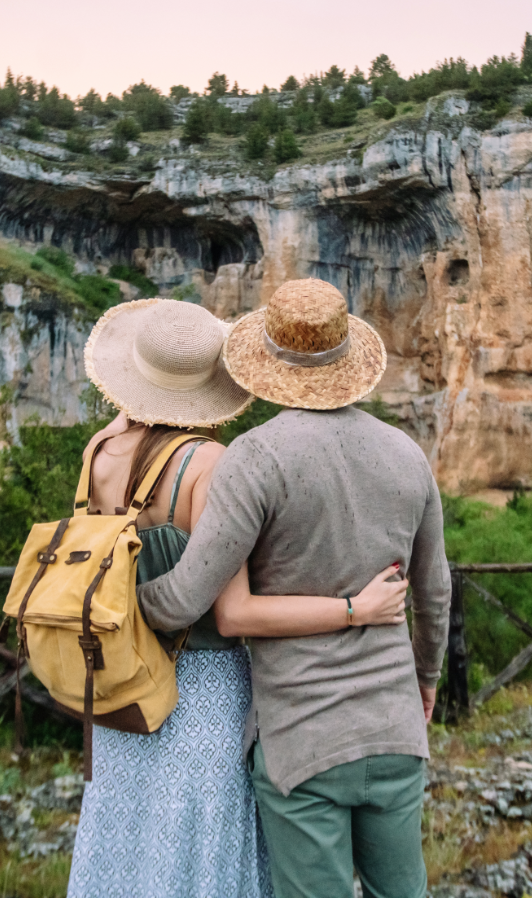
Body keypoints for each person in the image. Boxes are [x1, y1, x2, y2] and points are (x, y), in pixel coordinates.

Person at [66, 297, 408, 898]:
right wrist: (356, 609)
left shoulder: (99, 451)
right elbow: (235, 614)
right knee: (205, 853)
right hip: (197, 692)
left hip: (120, 682)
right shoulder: (209, 464)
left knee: (136, 850)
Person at [139, 278, 452, 898]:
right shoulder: (407, 454)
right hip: (394, 729)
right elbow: (435, 593)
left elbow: (184, 600)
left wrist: (114, 601)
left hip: (301, 742)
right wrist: (425, 681)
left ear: (267, 362)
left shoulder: (255, 459)